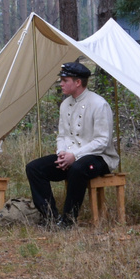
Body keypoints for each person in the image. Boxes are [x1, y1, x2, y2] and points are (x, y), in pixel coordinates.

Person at [25, 61, 116, 228]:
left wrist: (75, 156)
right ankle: (50, 217)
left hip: (99, 158)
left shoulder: (99, 104)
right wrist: (62, 152)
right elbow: (62, 135)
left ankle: (68, 221)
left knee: (78, 168)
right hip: (70, 156)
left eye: (65, 80)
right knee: (34, 168)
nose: (61, 84)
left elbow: (102, 141)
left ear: (78, 82)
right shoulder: (65, 104)